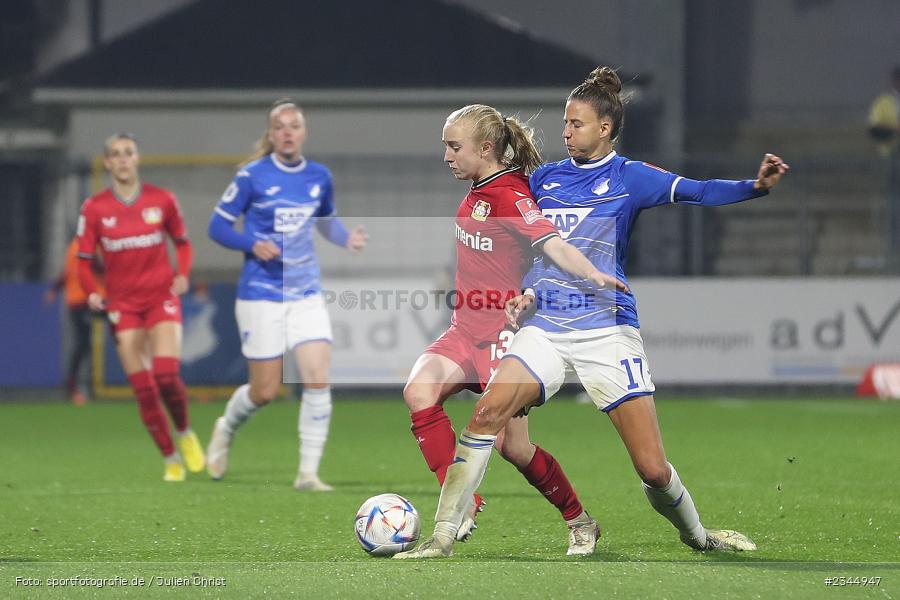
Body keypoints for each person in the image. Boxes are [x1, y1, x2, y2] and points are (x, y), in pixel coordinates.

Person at [396, 67, 789, 559]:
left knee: (651, 469)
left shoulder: (632, 178)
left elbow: (699, 190)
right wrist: (526, 292)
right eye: (564, 122)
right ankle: (443, 537)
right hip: (545, 328)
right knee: (486, 416)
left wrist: (755, 186)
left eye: (576, 124)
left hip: (606, 328)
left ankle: (697, 534)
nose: (565, 132)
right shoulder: (544, 179)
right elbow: (525, 246)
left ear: (605, 128)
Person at [405, 104, 627, 554]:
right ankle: (464, 504)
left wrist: (590, 272)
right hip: (464, 328)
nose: (446, 155)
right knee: (419, 391)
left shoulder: (511, 195)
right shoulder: (475, 187)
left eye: (453, 146)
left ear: (485, 148)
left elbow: (550, 242)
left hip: (502, 337)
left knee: (514, 448)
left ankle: (579, 519)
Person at [206, 99, 367, 490]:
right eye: (280, 126)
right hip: (261, 293)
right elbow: (217, 226)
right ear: (271, 134)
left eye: (294, 125)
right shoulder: (251, 176)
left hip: (306, 291)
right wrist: (251, 244)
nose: (288, 132)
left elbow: (326, 222)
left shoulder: (319, 176)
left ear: (304, 131)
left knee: (317, 377)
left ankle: (307, 474)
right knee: (264, 391)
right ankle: (226, 427)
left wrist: (347, 239)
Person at [76, 132, 204, 482]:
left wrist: (182, 274)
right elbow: (83, 261)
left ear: (137, 158)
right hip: (124, 305)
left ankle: (185, 431)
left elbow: (183, 243)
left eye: (127, 153)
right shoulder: (95, 208)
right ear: (107, 162)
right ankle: (170, 457)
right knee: (144, 388)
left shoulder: (162, 200)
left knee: (165, 375)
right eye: (114, 154)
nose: (121, 159)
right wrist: (92, 292)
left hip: (160, 297)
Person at [45, 237, 103, 405]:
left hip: (81, 301)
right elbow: (99, 267)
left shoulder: (73, 246)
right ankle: (75, 387)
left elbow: (65, 273)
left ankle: (79, 387)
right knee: (83, 344)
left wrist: (54, 291)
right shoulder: (87, 246)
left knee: (84, 344)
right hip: (83, 301)